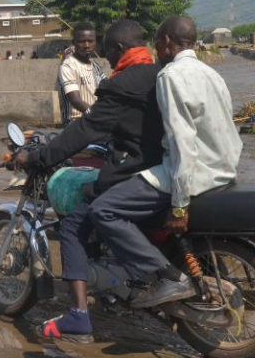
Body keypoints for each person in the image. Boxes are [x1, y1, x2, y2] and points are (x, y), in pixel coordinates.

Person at [17, 19, 164, 343]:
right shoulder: (161, 75)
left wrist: (39, 157)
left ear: (120, 49)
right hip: (163, 166)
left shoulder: (120, 82)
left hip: (130, 168)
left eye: (108, 49)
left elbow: (85, 128)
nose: (105, 55)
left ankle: (79, 316)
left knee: (72, 225)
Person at [121, 16, 242, 309]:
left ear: (164, 43)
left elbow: (181, 142)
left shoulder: (171, 76)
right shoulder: (212, 74)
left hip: (193, 175)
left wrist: (179, 204)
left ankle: (166, 278)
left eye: (157, 44)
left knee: (105, 209)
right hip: (224, 173)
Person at [57, 22, 106, 125]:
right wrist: (99, 116)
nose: (87, 45)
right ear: (74, 43)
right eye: (81, 41)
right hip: (76, 123)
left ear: (96, 43)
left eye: (90, 41)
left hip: (94, 120)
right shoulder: (68, 66)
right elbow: (76, 101)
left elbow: (108, 88)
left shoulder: (95, 66)